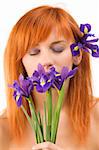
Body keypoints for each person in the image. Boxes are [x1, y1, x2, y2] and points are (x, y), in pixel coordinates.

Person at [0, 5, 99, 150]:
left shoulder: (96, 115)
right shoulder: (4, 128)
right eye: (34, 52)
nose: (46, 61)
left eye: (58, 49)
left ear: (77, 55)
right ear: (20, 61)